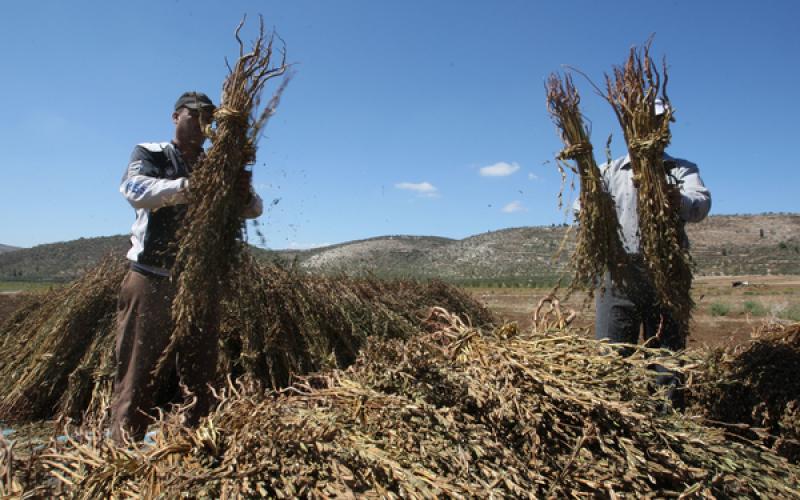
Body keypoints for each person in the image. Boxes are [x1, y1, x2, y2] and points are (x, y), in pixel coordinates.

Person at [111, 91, 263, 443]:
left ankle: (194, 446)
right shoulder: (151, 153)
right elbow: (134, 189)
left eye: (208, 118)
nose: (200, 123)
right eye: (193, 115)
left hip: (199, 284)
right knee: (137, 371)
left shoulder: (217, 163)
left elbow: (253, 210)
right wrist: (189, 187)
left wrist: (243, 192)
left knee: (200, 373)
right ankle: (121, 455)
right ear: (175, 116)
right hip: (151, 279)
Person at [592, 99, 711, 405]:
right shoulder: (609, 172)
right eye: (646, 120)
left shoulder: (681, 169)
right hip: (619, 272)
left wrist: (676, 199)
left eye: (660, 121)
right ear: (630, 126)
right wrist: (591, 205)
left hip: (667, 273)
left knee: (666, 358)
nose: (654, 126)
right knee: (612, 355)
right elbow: (585, 210)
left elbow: (700, 205)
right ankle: (617, 420)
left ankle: (667, 423)